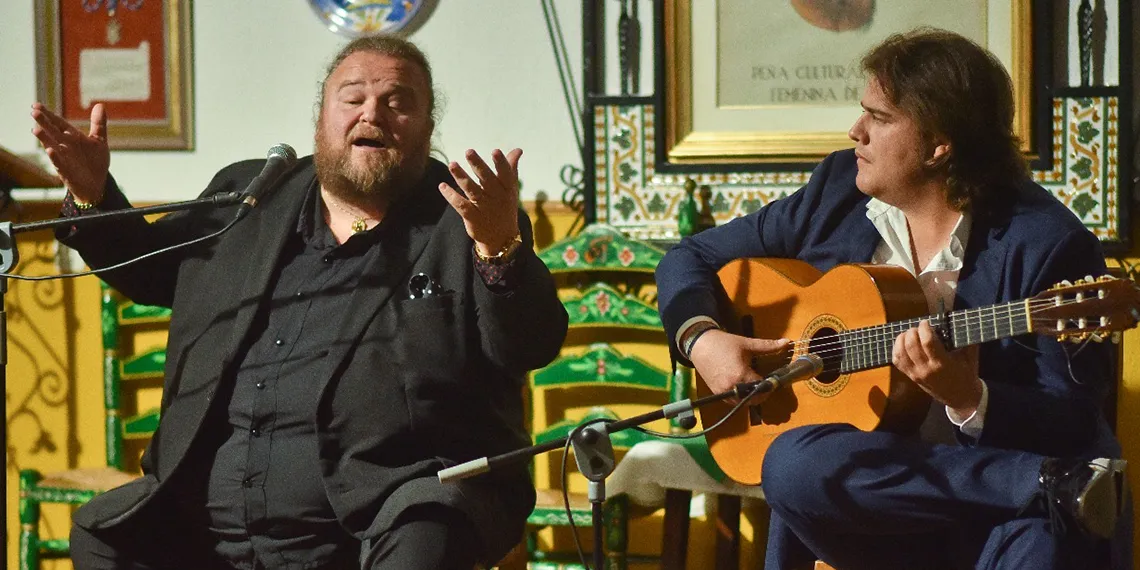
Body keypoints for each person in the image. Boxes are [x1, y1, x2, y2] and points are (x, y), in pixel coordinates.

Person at [32, 34, 569, 569]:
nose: (372, 114)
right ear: (321, 117)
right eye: (352, 98)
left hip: (384, 513)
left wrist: (499, 249)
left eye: (397, 102)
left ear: (428, 129)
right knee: (104, 537)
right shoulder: (251, 195)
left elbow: (528, 342)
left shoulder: (469, 220)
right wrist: (94, 195)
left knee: (422, 534)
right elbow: (151, 268)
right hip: (209, 517)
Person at [656, 28, 1130, 570]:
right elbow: (686, 258)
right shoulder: (837, 190)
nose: (856, 131)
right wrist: (702, 338)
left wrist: (969, 399)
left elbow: (1072, 420)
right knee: (790, 462)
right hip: (878, 514)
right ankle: (1035, 484)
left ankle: (1039, 485)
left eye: (879, 119)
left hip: (1001, 520)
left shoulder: (1047, 243)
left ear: (938, 145)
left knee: (1048, 532)